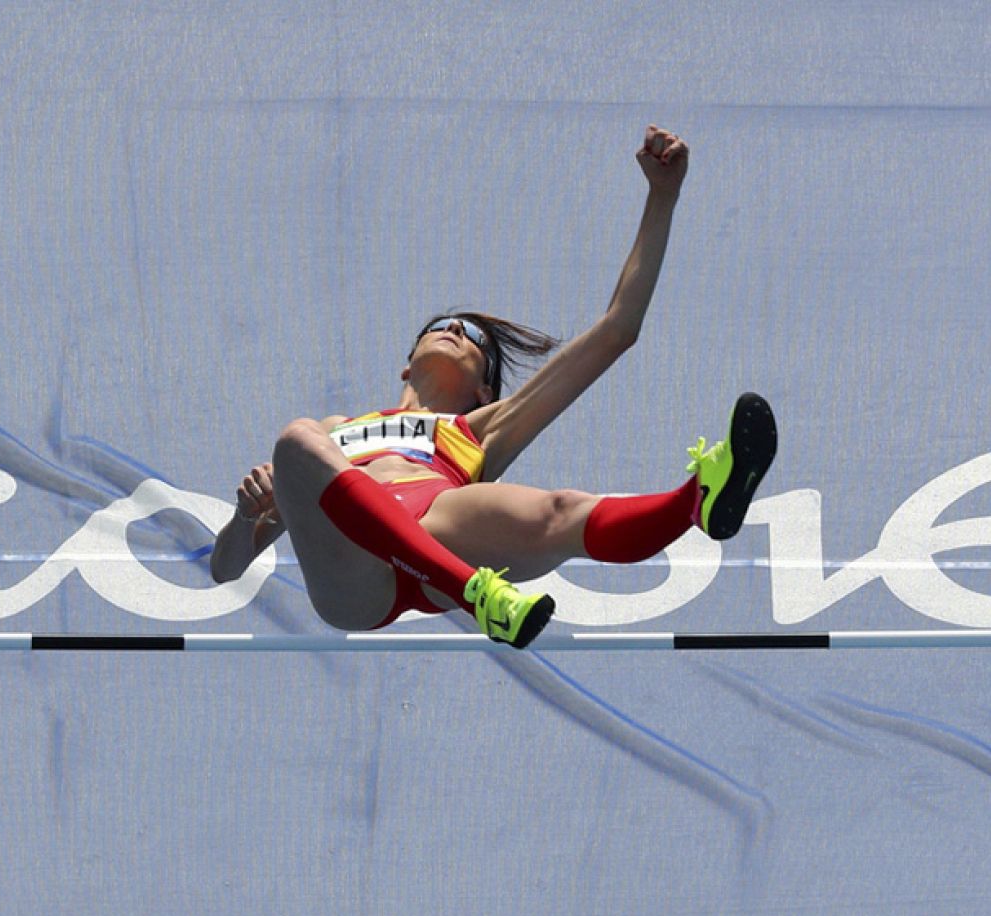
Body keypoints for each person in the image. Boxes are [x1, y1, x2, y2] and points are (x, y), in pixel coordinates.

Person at [210, 125, 777, 649]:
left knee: (561, 511)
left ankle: (695, 501)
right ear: (407, 366)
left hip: (443, 523)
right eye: (442, 327)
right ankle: (474, 593)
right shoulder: (334, 434)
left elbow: (616, 331)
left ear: (484, 390)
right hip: (355, 572)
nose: (455, 329)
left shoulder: (478, 428)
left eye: (472, 336)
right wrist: (245, 515)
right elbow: (225, 567)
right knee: (295, 441)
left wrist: (664, 195)